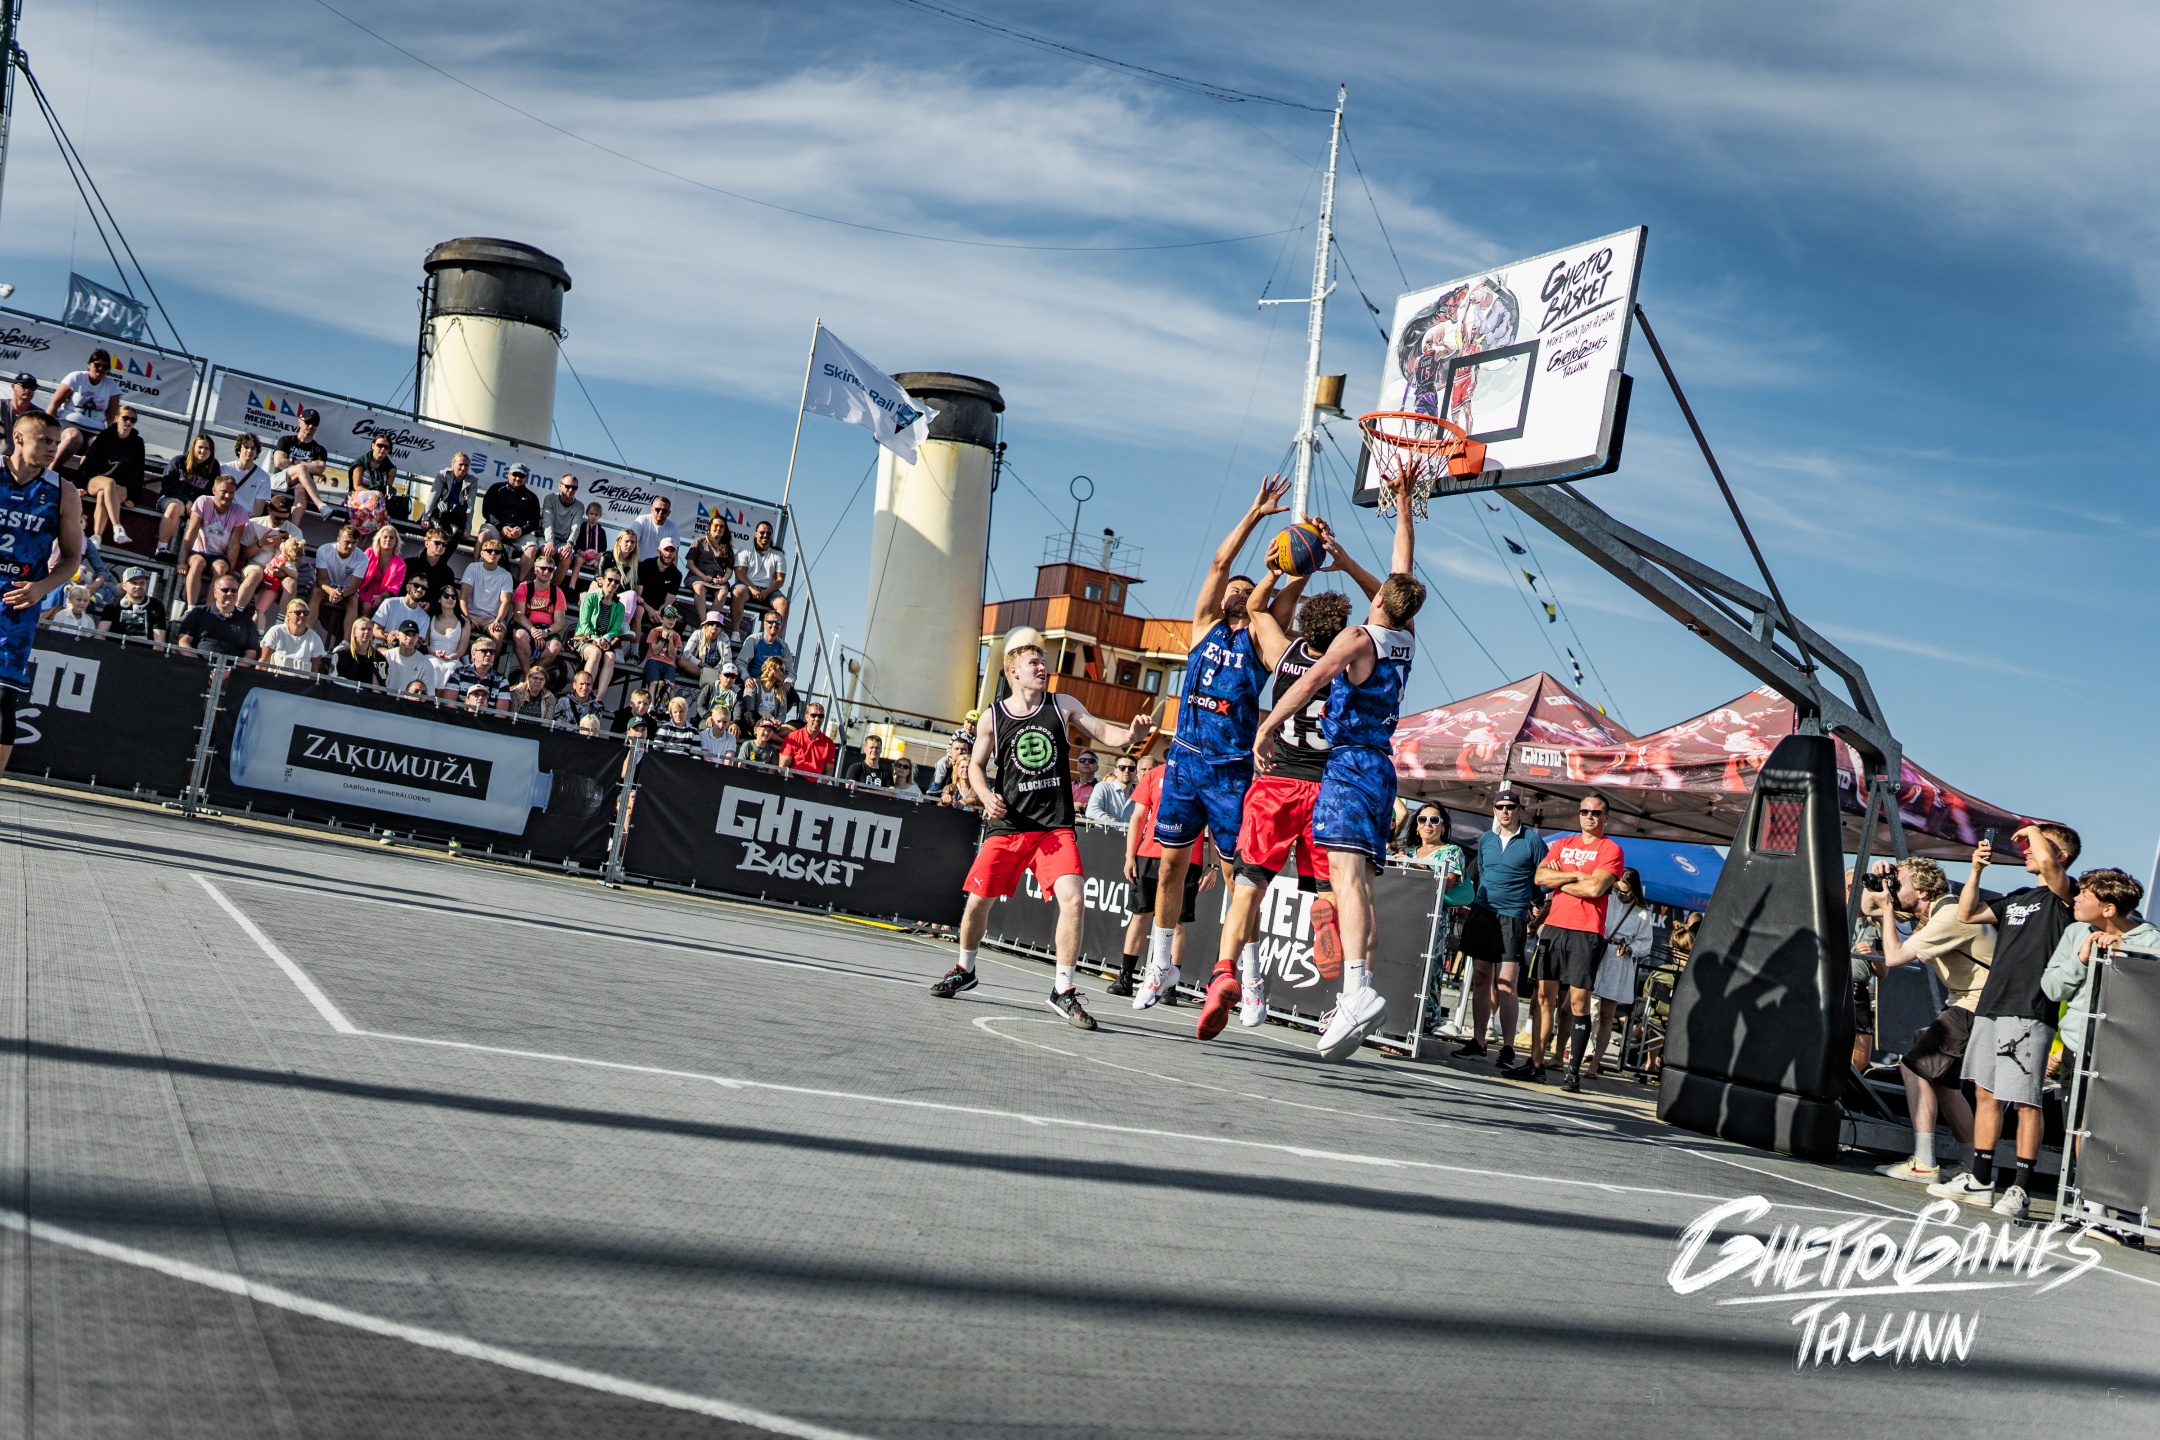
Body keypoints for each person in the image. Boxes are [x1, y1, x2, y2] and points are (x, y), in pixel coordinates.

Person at [1252, 470, 1423, 1060]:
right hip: (1381, 769)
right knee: (1361, 888)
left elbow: (1309, 683)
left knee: (1345, 882)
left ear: (1377, 601)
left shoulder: (1356, 639)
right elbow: (1401, 570)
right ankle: (1357, 988)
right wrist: (1402, 508)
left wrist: (1268, 725)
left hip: (1347, 767)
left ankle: (1355, 992)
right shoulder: (1406, 636)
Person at [1204, 521, 1379, 1036]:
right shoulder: (1354, 667)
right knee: (1332, 886)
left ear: (1304, 623)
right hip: (1328, 789)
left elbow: (1257, 609)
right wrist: (1343, 561)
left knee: (1247, 887)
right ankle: (1323, 911)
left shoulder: (1285, 653)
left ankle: (1224, 971)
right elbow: (1387, 608)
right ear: (1344, 632)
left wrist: (1284, 567)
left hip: (1276, 783)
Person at [932, 636, 1158, 1028]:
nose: (1042, 668)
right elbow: (976, 765)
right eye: (1034, 662)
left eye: (1044, 662)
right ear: (1013, 671)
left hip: (1054, 827)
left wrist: (1132, 736)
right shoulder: (992, 716)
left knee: (1074, 899)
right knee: (978, 901)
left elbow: (1107, 733)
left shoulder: (1062, 704)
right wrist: (985, 795)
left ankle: (1063, 990)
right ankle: (965, 969)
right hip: (1009, 826)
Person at [1133, 477, 1288, 1012]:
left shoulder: (1260, 636)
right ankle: (1160, 966)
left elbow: (1277, 599)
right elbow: (1221, 561)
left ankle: (1249, 976)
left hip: (1230, 770)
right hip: (1184, 762)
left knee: (1237, 879)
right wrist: (1255, 514)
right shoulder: (1204, 626)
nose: (1236, 591)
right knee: (1170, 868)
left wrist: (1280, 568)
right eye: (1232, 588)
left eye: (1246, 590)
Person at [1929, 823, 2081, 1220]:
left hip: (2030, 1009)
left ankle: (2021, 1189)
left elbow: (2048, 864)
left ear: (2060, 856)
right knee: (1986, 1094)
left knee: (2026, 1100)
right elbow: (1967, 913)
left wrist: (2033, 829)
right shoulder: (2019, 896)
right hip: (1992, 1004)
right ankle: (1981, 1180)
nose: (2027, 851)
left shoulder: (2067, 895)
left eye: (2036, 846)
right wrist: (1976, 870)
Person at [1864, 857, 1994, 1185]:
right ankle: (1970, 1166)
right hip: (1973, 1004)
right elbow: (1866, 907)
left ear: (1922, 892)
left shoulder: (1950, 915)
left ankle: (1923, 1162)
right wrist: (1882, 878)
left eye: (1900, 884)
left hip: (1976, 1004)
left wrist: (1888, 908)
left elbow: (1894, 958)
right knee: (1944, 1082)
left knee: (1914, 1067)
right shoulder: (1930, 910)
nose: (1894, 889)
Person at [1514, 794, 1625, 1091]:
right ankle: (1536, 1064)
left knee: (1578, 1002)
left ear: (1606, 817)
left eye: (1596, 812)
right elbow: (1540, 877)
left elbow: (1595, 888)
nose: (1589, 816)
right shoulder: (1563, 844)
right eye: (1584, 811)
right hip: (1554, 927)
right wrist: (1576, 874)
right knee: (1543, 998)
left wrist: (1561, 879)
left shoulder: (1611, 849)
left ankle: (1572, 1071)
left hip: (1586, 931)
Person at [2042, 869, 2155, 1116]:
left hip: (2125, 1055)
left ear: (2108, 910)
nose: (2076, 898)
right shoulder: (2075, 932)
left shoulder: (2152, 943)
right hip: (2075, 1048)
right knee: (2075, 1127)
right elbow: (2052, 989)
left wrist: (2126, 957)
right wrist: (2081, 960)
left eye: (2084, 895)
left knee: (2111, 1128)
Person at [1108, 754, 1212, 999]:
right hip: (1150, 855)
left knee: (1178, 923)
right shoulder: (1155, 775)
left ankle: (1169, 985)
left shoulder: (1206, 776)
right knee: (1140, 915)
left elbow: (1215, 825)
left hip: (1189, 858)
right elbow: (1138, 817)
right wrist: (1130, 856)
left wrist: (1213, 866)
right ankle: (1126, 977)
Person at [1587, 867, 1650, 1079]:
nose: (1620, 895)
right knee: (1584, 1008)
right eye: (1618, 890)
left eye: (1625, 892)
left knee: (1607, 1015)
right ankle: (1579, 1052)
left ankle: (1595, 1062)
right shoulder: (1608, 897)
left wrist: (1630, 948)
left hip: (1619, 959)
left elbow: (1646, 943)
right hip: (1598, 952)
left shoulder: (1642, 912)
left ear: (1634, 890)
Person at [78, 403, 147, 546]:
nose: (129, 422)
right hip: (97, 480)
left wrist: (134, 497)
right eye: (125, 418)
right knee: (108, 483)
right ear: (116, 419)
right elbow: (89, 461)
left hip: (119, 485)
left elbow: (138, 470)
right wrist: (78, 485)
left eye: (133, 420)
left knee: (104, 494)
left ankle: (96, 537)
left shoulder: (137, 442)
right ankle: (117, 527)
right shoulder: (105, 436)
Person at [178, 472, 249, 609]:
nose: (228, 496)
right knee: (198, 563)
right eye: (224, 492)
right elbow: (191, 532)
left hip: (219, 557)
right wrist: (182, 560)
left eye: (231, 493)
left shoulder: (240, 511)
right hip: (198, 552)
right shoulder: (203, 501)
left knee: (221, 569)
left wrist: (230, 571)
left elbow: (234, 543)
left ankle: (210, 610)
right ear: (214, 490)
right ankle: (191, 608)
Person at [47, 348, 122, 473]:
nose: (100, 369)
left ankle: (81, 479)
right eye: (97, 365)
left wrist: (113, 438)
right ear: (89, 365)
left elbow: (111, 417)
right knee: (74, 436)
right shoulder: (76, 377)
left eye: (105, 367)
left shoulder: (112, 386)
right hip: (69, 423)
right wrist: (47, 427)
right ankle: (49, 471)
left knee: (99, 444)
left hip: (95, 429)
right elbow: (55, 403)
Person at [155, 434, 222, 560]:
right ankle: (161, 548)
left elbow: (211, 493)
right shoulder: (179, 461)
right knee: (175, 506)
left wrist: (193, 503)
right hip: (169, 499)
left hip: (195, 506)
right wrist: (186, 501)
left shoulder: (214, 467)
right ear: (193, 447)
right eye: (200, 447)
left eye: (207, 448)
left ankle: (193, 556)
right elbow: (167, 486)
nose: (203, 451)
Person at [508, 556, 571, 677]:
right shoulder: (524, 587)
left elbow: (560, 622)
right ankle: (528, 677)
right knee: (520, 636)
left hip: (546, 630)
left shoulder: (557, 592)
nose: (546, 572)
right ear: (535, 569)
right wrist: (534, 631)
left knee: (555, 647)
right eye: (543, 568)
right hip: (525, 627)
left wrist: (546, 632)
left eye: (550, 569)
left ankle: (529, 675)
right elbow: (518, 615)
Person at [173, 575, 260, 661]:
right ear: (215, 592)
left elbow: (251, 654)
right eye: (225, 590)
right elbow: (183, 641)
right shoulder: (199, 612)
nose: (230, 593)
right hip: (196, 666)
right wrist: (198, 664)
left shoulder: (248, 622)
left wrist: (232, 669)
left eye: (234, 590)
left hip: (231, 669)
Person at [573, 569, 628, 694]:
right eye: (610, 580)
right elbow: (584, 624)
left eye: (616, 582)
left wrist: (605, 639)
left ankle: (598, 698)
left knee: (611, 657)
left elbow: (615, 630)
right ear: (602, 580)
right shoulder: (590, 598)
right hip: (584, 638)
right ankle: (584, 692)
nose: (613, 583)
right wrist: (597, 639)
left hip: (604, 641)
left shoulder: (620, 606)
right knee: (596, 652)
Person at [310, 524, 368, 644]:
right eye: (347, 542)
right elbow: (321, 580)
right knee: (316, 592)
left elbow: (353, 587)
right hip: (326, 589)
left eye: (354, 543)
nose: (350, 546)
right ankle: (306, 632)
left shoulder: (362, 558)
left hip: (345, 592)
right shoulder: (324, 550)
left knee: (353, 600)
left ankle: (345, 642)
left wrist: (339, 594)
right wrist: (332, 591)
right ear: (338, 540)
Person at [461, 535, 518, 654]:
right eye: (489, 551)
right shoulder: (472, 568)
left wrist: (498, 621)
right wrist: (466, 617)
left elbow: (505, 601)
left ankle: (490, 664)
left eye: (497, 552)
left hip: (492, 618)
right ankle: (467, 662)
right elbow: (464, 596)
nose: (493, 554)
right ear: (482, 553)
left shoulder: (506, 575)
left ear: (500, 556)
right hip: (472, 614)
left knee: (498, 636)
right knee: (461, 629)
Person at [730, 518, 787, 629]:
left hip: (769, 591)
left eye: (768, 533)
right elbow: (739, 573)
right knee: (737, 592)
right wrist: (753, 588)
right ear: (756, 534)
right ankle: (735, 632)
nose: (765, 535)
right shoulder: (745, 550)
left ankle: (777, 636)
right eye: (762, 533)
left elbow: (780, 580)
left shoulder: (778, 555)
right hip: (747, 587)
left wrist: (766, 592)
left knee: (783, 603)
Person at [271, 410, 331, 512]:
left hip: (302, 486)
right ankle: (320, 505)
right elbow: (279, 462)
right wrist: (306, 465)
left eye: (314, 424)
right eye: (308, 422)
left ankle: (294, 523)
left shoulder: (319, 450)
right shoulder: (286, 440)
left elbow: (319, 470)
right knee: (301, 468)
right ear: (299, 421)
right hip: (280, 481)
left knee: (301, 488)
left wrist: (293, 461)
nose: (311, 426)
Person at [480, 463, 542, 561]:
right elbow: (487, 511)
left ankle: (520, 573)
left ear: (526, 478)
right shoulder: (496, 488)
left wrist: (522, 530)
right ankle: (474, 565)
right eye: (515, 475)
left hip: (519, 534)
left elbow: (534, 522)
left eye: (521, 476)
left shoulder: (532, 497)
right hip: (497, 528)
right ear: (508, 474)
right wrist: (501, 527)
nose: (518, 478)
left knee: (532, 548)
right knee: (483, 535)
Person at [96, 566, 167, 643]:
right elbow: (99, 636)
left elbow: (159, 642)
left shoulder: (156, 606)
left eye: (142, 583)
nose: (138, 586)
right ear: (124, 586)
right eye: (134, 583)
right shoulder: (113, 605)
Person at [686, 513, 734, 621]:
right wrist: (703, 576)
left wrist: (723, 580)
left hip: (716, 581)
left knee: (723, 592)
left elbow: (729, 570)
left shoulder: (728, 548)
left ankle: (710, 622)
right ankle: (703, 622)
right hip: (698, 577)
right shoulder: (699, 541)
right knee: (699, 587)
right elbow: (689, 564)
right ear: (710, 527)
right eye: (715, 525)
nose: (718, 528)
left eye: (721, 526)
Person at [353, 524, 408, 618]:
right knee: (366, 606)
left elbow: (394, 587)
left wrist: (381, 597)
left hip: (386, 596)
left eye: (391, 537)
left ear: (396, 541)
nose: (388, 539)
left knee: (385, 611)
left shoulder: (401, 564)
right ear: (379, 539)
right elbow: (359, 574)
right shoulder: (369, 553)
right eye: (385, 537)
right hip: (364, 591)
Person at [421, 450, 475, 546]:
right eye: (460, 465)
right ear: (453, 464)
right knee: (439, 530)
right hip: (438, 513)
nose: (463, 468)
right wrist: (425, 518)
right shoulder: (443, 475)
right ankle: (432, 552)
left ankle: (444, 555)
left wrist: (467, 529)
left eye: (466, 465)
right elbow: (433, 498)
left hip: (455, 516)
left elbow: (470, 507)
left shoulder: (472, 481)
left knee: (457, 532)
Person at [261, 597, 328, 673]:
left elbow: (314, 671)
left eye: (306, 613)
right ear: (288, 615)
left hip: (300, 680)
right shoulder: (276, 631)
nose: (302, 615)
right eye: (298, 612)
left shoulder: (315, 638)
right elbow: (263, 662)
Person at [443, 636, 509, 712]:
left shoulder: (502, 681)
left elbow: (501, 714)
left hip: (486, 719)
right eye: (484, 651)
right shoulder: (459, 673)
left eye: (492, 652)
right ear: (473, 653)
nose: (488, 654)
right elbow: (449, 704)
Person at [220, 433, 277, 517]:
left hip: (246, 519)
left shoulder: (264, 477)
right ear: (239, 450)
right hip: (223, 515)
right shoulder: (224, 469)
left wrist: (241, 521)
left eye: (253, 448)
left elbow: (257, 512)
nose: (250, 451)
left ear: (256, 452)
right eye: (246, 447)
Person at [538, 471, 584, 567]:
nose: (571, 490)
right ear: (560, 485)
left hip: (563, 541)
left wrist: (569, 544)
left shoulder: (579, 506)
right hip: (545, 537)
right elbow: (547, 521)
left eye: (574, 488)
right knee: (547, 551)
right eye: (567, 486)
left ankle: (554, 579)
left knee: (566, 557)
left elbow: (576, 527)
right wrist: (550, 541)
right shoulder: (550, 498)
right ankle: (538, 576)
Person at [777, 702, 836, 776]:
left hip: (816, 782)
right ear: (806, 717)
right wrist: (795, 782)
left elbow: (828, 772)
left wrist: (818, 783)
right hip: (793, 779)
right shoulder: (793, 737)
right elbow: (782, 768)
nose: (817, 719)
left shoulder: (829, 744)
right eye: (813, 715)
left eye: (820, 716)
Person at [383, 620, 437, 698]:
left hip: (411, 704)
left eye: (414, 635)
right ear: (397, 635)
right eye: (407, 634)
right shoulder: (385, 657)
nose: (410, 638)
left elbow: (429, 696)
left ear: (418, 638)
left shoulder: (425, 664)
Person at [642, 603, 686, 697]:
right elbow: (655, 651)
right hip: (654, 661)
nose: (671, 620)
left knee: (671, 685)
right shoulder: (654, 631)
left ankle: (671, 705)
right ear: (661, 619)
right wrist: (662, 639)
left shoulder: (676, 636)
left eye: (674, 618)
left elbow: (671, 655)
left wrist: (670, 640)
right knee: (654, 683)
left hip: (669, 664)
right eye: (669, 618)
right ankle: (651, 703)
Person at [330, 614, 387, 687]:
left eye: (369, 629)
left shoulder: (378, 658)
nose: (367, 631)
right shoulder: (341, 654)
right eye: (363, 629)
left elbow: (378, 688)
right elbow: (332, 679)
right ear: (354, 632)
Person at [1085, 754, 1138, 826]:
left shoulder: (1138, 796)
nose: (1126, 771)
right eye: (1122, 767)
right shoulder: (1103, 787)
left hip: (1128, 833)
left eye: (1131, 768)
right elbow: (1091, 811)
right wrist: (1114, 823)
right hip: (1104, 833)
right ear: (1115, 771)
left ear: (1136, 772)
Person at [737, 608, 792, 678]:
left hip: (772, 682)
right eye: (771, 622)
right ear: (764, 624)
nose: (774, 625)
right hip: (752, 680)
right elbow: (741, 663)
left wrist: (787, 682)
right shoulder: (754, 639)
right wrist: (746, 678)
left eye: (778, 623)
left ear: (781, 626)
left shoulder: (784, 646)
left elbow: (790, 672)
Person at [0, 374, 42, 458]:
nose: (28, 390)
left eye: (32, 388)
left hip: (22, 460)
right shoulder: (1, 405)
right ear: (13, 386)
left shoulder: (38, 415)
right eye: (24, 385)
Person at [630, 494, 681, 561]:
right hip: (638, 562)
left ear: (669, 513)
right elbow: (631, 541)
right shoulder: (641, 520)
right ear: (652, 509)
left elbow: (674, 555)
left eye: (664, 511)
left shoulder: (673, 527)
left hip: (659, 565)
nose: (660, 512)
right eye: (657, 509)